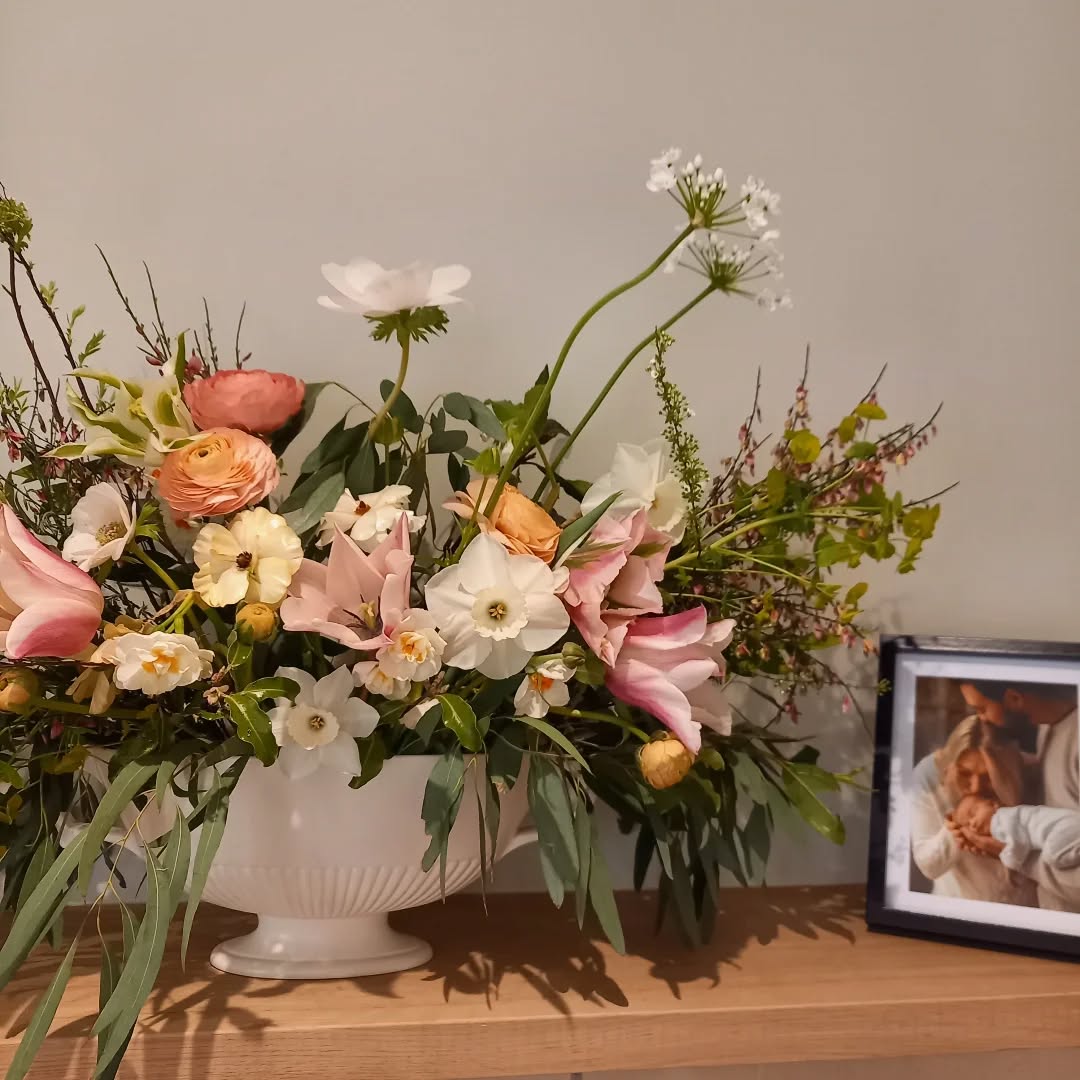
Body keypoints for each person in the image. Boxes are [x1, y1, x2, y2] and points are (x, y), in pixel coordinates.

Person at [953, 680, 1079, 910]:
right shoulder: (1047, 729)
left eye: (982, 708)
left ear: (1014, 698)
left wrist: (1010, 854)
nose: (981, 719)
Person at [910, 716, 1036, 904]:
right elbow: (929, 867)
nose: (976, 787)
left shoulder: (1031, 769)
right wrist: (955, 831)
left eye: (988, 776)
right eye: (965, 773)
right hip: (956, 907)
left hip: (1023, 908)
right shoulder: (928, 776)